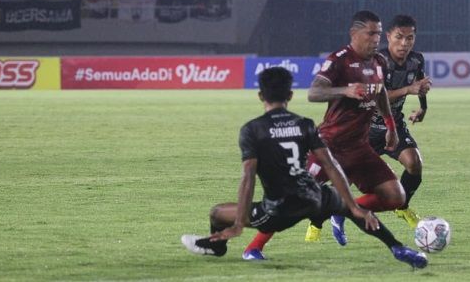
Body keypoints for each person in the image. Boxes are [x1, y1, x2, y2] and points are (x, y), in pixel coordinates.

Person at [182, 67, 427, 269]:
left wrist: (239, 223)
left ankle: (218, 247)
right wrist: (353, 205)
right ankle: (397, 246)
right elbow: (330, 165)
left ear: (260, 96)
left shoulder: (252, 129)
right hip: (316, 197)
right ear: (289, 95)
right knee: (350, 210)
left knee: (217, 212)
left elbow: (248, 177)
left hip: (280, 208)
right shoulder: (305, 124)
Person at [244, 10, 409, 253]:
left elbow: (381, 91)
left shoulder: (379, 62)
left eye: (378, 33)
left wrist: (390, 125)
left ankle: (342, 211)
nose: (376, 39)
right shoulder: (339, 60)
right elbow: (314, 93)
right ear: (354, 33)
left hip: (359, 148)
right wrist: (345, 90)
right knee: (293, 201)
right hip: (329, 146)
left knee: (395, 196)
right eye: (371, 33)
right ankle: (253, 249)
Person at [367, 14, 431, 228]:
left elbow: (420, 84)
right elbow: (376, 97)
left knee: (414, 164)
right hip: (365, 127)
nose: (404, 43)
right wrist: (408, 90)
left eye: (410, 38)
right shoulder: (378, 61)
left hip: (393, 124)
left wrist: (423, 106)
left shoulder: (417, 59)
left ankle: (401, 207)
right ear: (388, 37)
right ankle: (318, 222)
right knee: (345, 177)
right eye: (399, 37)